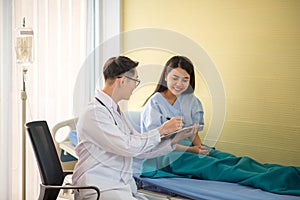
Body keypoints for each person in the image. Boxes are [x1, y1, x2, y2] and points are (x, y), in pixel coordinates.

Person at [139, 55, 300, 196]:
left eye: (185, 79)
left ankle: (292, 174)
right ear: (165, 77)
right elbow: (159, 143)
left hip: (189, 150)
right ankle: (283, 182)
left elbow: (192, 132)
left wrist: (200, 149)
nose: (179, 84)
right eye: (175, 78)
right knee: (223, 168)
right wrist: (192, 151)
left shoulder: (191, 101)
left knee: (236, 161)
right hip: (165, 157)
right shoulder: (155, 104)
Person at [72, 56, 198, 200]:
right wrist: (161, 130)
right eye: (136, 81)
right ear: (123, 80)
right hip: (100, 187)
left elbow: (139, 148)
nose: (135, 86)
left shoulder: (114, 110)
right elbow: (128, 147)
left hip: (119, 185)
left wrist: (174, 140)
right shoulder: (94, 113)